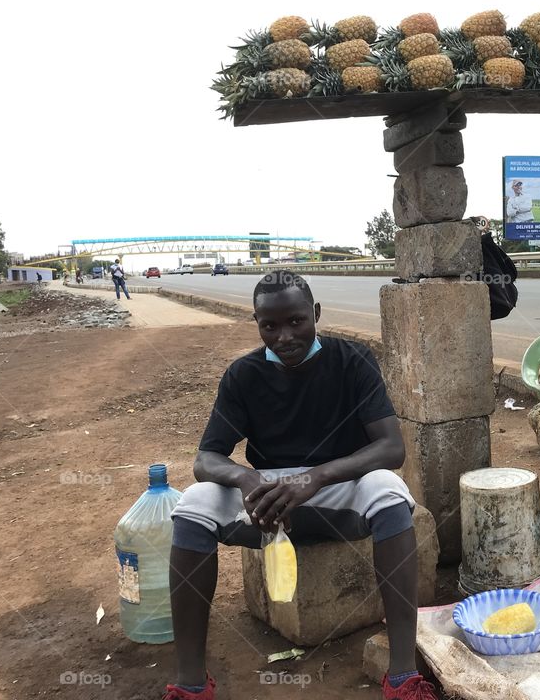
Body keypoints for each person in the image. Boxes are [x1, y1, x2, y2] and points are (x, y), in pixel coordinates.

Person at [163, 271, 437, 700]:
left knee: (387, 488)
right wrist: (245, 478)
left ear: (316, 315)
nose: (284, 336)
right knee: (194, 504)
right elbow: (206, 459)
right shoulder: (243, 375)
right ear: (257, 323)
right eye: (269, 326)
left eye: (295, 321)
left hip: (336, 486)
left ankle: (402, 676)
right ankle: (190, 683)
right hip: (267, 499)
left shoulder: (353, 360)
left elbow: (390, 449)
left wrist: (316, 476)